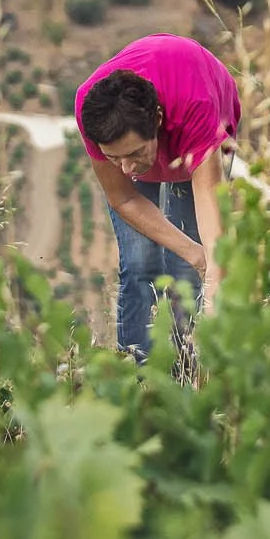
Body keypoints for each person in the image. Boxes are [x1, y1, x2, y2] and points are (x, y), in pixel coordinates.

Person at [74, 33, 241, 360]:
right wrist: (194, 254)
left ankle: (189, 363)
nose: (125, 169)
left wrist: (212, 282)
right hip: (161, 127)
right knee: (140, 263)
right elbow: (123, 198)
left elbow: (211, 220)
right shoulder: (91, 112)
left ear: (158, 121)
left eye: (134, 153)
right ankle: (137, 369)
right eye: (113, 157)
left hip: (199, 125)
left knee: (190, 269)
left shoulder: (196, 107)